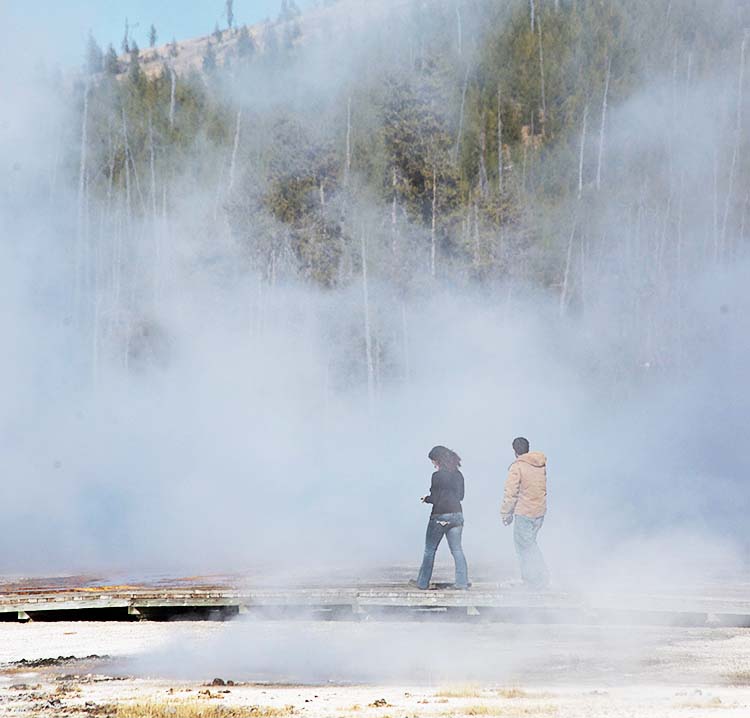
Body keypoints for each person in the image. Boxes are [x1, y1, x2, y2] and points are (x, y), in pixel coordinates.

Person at [412, 446, 469, 590]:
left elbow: (436, 498)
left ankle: (422, 583)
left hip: (440, 515)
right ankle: (462, 583)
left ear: (438, 460)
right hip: (457, 515)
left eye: (433, 461)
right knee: (457, 550)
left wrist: (426, 499)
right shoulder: (459, 475)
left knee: (430, 550)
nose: (433, 464)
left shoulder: (437, 476)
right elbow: (461, 496)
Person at [500, 437, 549, 589]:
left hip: (524, 512)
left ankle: (538, 579)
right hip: (539, 512)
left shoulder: (517, 467)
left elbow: (511, 493)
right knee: (529, 544)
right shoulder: (540, 464)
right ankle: (532, 580)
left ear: (514, 451)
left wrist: (505, 513)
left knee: (526, 547)